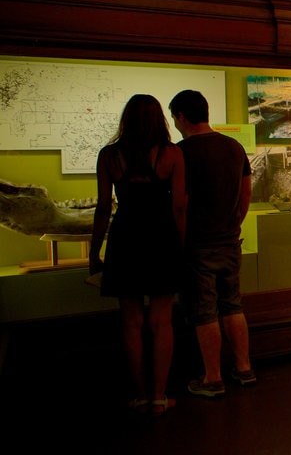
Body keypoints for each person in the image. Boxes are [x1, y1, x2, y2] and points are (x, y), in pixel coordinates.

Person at [89, 94, 186, 416]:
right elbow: (178, 207)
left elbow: (104, 206)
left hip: (125, 237)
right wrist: (183, 245)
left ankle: (139, 395)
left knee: (130, 321)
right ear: (160, 118)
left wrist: (94, 250)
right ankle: (159, 397)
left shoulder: (109, 155)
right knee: (161, 320)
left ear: (126, 119)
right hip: (161, 237)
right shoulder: (172, 154)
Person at [169, 89, 255, 398]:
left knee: (204, 309)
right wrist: (234, 224)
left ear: (181, 116)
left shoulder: (181, 152)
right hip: (229, 241)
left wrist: (181, 237)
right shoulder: (233, 147)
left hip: (198, 244)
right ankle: (244, 368)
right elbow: (246, 193)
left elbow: (180, 203)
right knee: (232, 304)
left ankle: (213, 377)